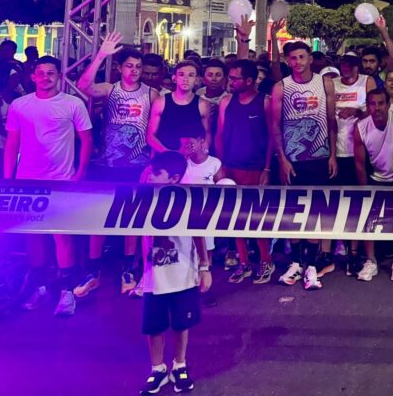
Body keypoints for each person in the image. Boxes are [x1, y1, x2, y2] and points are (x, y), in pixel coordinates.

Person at [4, 56, 93, 317]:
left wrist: (80, 173)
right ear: (33, 77)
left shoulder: (73, 103)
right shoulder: (20, 105)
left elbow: (86, 140)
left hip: (61, 181)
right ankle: (40, 286)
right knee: (33, 236)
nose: (45, 77)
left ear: (59, 76)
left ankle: (67, 291)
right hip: (27, 181)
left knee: (61, 236)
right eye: (40, 73)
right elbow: (12, 144)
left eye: (50, 73)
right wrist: (8, 179)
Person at [75, 33, 161, 298]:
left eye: (138, 67)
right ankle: (93, 271)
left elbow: (155, 130)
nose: (134, 71)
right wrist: (101, 54)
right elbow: (83, 85)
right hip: (106, 165)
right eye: (129, 66)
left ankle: (128, 269)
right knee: (100, 217)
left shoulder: (152, 94)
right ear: (120, 68)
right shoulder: (110, 89)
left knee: (131, 219)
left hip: (137, 166)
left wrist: (153, 164)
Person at [139, 152, 212, 395]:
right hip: (153, 276)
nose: (150, 177)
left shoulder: (187, 201)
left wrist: (204, 267)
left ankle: (179, 365)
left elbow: (198, 233)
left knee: (182, 324)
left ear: (174, 178)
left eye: (156, 173)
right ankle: (157, 369)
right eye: (150, 172)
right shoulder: (143, 198)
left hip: (183, 274)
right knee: (154, 327)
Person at [272, 40, 338, 290]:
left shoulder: (325, 83)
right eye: (293, 58)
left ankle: (311, 264)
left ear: (310, 58)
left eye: (301, 57)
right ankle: (296, 262)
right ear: (287, 61)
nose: (297, 62)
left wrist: (332, 155)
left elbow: (331, 121)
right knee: (293, 212)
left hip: (320, 158)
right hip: (293, 161)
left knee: (315, 211)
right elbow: (275, 125)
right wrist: (282, 159)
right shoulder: (282, 87)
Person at [215, 59, 275, 285]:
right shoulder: (226, 101)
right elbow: (220, 135)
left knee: (257, 217)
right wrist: (221, 165)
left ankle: (266, 261)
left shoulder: (265, 101)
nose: (230, 82)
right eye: (230, 77)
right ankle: (244, 262)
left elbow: (272, 136)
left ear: (249, 81)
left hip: (256, 168)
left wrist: (267, 168)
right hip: (231, 167)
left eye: (235, 78)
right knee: (236, 217)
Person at [352, 89, 393, 281]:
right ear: (367, 106)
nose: (376, 107)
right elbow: (359, 164)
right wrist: (365, 189)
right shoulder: (360, 127)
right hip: (374, 177)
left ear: (388, 105)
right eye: (372, 104)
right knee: (369, 220)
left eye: (380, 103)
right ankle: (371, 261)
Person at [333, 51, 371, 274]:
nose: (346, 68)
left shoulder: (366, 81)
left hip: (359, 150)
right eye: (343, 65)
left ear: (358, 67)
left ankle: (355, 250)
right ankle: (339, 243)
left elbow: (376, 109)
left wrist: (358, 111)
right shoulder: (332, 83)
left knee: (357, 202)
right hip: (336, 151)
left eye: (350, 65)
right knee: (338, 201)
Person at [147, 62, 212, 154]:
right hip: (164, 156)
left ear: (196, 79)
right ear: (174, 78)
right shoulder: (160, 102)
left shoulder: (203, 104)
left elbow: (207, 133)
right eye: (181, 75)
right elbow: (150, 135)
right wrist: (168, 153)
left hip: (192, 157)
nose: (185, 79)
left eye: (191, 75)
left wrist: (204, 149)